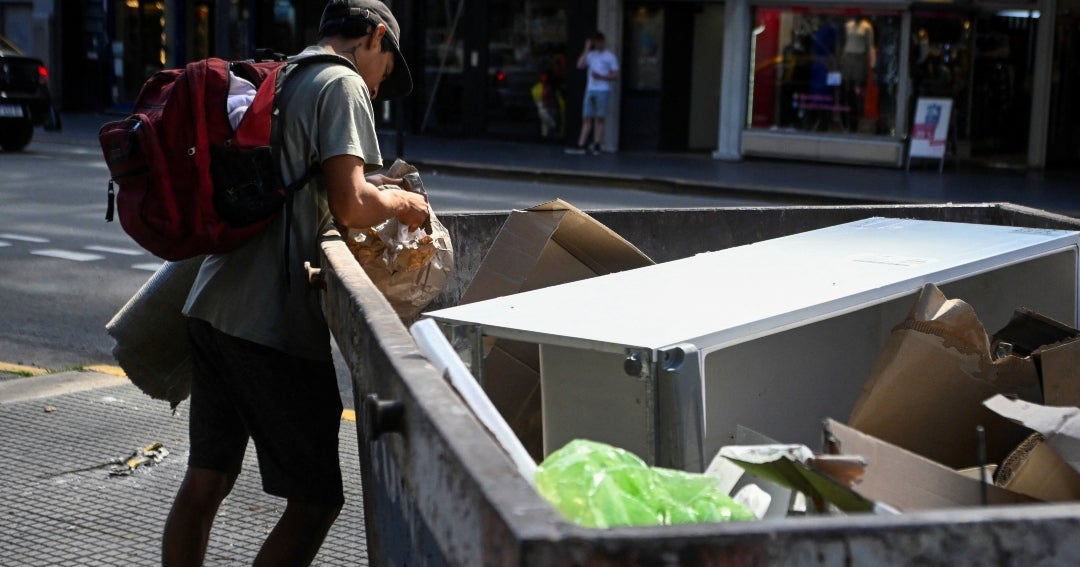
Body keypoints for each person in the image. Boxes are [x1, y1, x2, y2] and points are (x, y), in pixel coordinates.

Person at [161, 1, 429, 565]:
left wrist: (367, 186)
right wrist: (401, 201)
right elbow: (354, 206)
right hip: (271, 322)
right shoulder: (343, 83)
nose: (383, 84)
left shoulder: (286, 72)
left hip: (212, 305)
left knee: (207, 479)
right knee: (315, 501)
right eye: (388, 66)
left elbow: (303, 179)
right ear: (375, 37)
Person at [568, 31, 619, 154]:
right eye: (595, 42)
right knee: (586, 117)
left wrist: (602, 77)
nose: (597, 45)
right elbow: (579, 65)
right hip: (590, 89)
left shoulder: (609, 56)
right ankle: (582, 144)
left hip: (602, 89)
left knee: (600, 117)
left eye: (599, 42)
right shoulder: (591, 55)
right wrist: (586, 50)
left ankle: (597, 144)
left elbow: (616, 74)